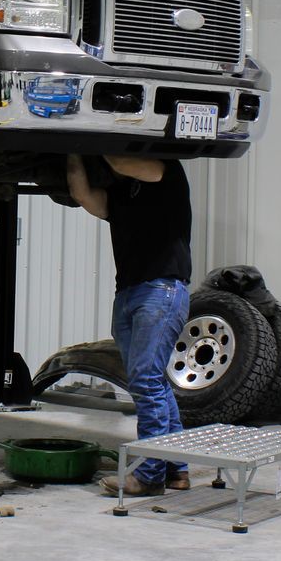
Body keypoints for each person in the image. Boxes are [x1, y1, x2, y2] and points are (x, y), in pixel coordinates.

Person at [66, 152, 193, 496]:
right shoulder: (119, 193)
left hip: (161, 291)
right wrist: (71, 150)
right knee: (154, 383)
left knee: (146, 381)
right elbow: (82, 195)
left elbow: (122, 163)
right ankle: (176, 468)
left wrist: (93, 139)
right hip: (128, 295)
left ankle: (149, 475)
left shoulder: (167, 171)